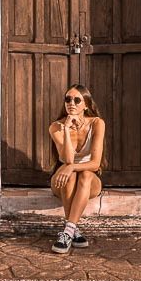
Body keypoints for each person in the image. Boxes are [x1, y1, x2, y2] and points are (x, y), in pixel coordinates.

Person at [48, 84, 106, 254]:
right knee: (70, 176)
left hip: (89, 181)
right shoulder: (55, 127)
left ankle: (68, 230)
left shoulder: (97, 124)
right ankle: (72, 231)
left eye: (77, 100)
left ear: (86, 104)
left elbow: (95, 164)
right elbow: (67, 159)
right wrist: (66, 129)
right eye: (68, 99)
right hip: (62, 181)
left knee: (85, 175)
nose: (71, 103)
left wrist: (71, 167)